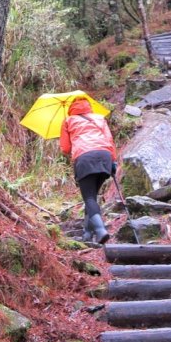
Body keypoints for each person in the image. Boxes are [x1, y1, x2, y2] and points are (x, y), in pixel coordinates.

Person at [60, 97, 117, 244]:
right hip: (105, 157)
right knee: (92, 196)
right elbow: (109, 140)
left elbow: (65, 148)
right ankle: (87, 234)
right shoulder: (99, 118)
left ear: (72, 108)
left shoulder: (68, 121)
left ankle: (100, 230)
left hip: (85, 158)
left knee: (89, 198)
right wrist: (113, 161)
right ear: (88, 106)